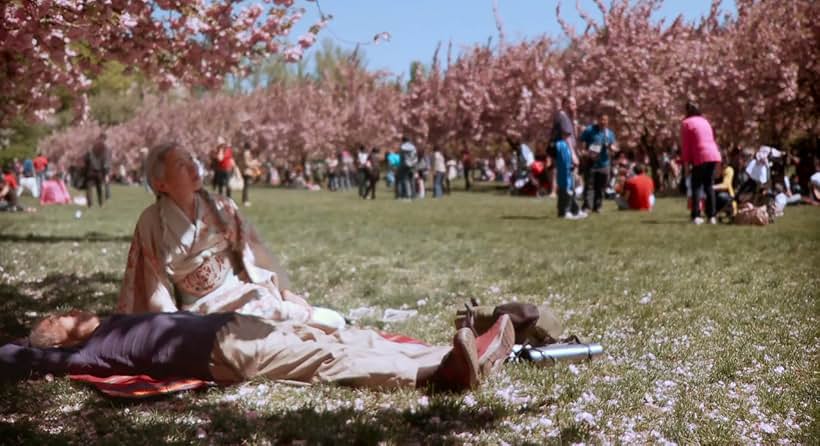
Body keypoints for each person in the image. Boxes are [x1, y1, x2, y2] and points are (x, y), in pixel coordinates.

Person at [118, 142, 345, 332]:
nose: (192, 167)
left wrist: (285, 291)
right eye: (180, 164)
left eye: (192, 160)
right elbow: (155, 284)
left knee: (261, 305)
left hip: (236, 289)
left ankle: (303, 316)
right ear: (161, 184)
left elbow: (254, 252)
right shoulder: (151, 222)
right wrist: (169, 326)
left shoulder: (222, 206)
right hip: (198, 307)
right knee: (232, 332)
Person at [0, 309, 515, 393]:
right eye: (58, 321)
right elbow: (20, 357)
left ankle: (457, 351)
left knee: (344, 337)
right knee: (326, 362)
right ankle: (439, 375)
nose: (66, 315)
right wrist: (28, 348)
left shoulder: (116, 320)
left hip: (239, 326)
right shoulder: (91, 354)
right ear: (60, 338)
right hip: (222, 352)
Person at [680, 101, 721, 224]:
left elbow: (686, 146)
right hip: (713, 154)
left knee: (696, 186)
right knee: (709, 185)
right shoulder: (705, 121)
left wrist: (686, 165)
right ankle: (712, 216)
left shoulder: (686, 123)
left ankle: (696, 215)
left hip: (700, 156)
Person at [580, 113, 618, 213]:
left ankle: (598, 206)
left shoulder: (609, 133)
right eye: (601, 119)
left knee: (601, 186)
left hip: (604, 164)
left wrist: (613, 149)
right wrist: (585, 152)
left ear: (607, 121)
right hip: (591, 163)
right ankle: (587, 206)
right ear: (597, 119)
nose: (603, 122)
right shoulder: (589, 130)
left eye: (605, 120)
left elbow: (613, 146)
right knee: (590, 185)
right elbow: (582, 142)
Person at [555, 129, 586, 219]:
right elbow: (564, 161)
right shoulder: (561, 145)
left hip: (568, 172)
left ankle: (573, 210)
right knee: (566, 191)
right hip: (564, 173)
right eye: (567, 134)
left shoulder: (566, 145)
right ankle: (565, 211)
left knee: (570, 190)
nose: (569, 136)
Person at [85, 132, 111, 208]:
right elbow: (105, 161)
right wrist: (106, 172)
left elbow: (87, 158)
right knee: (99, 187)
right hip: (99, 170)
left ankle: (90, 204)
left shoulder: (91, 148)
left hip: (90, 170)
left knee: (89, 187)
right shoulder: (105, 148)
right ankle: (101, 204)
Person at [713, 152, 737, 219]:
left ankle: (730, 211)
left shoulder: (729, 170)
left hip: (728, 197)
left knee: (721, 196)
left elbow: (725, 185)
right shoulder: (713, 171)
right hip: (715, 195)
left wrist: (711, 188)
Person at [237, 142, 260, 207]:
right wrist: (254, 163)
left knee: (246, 186)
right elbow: (247, 163)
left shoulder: (245, 153)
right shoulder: (246, 153)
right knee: (246, 187)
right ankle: (245, 201)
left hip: (246, 171)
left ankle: (245, 200)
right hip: (247, 171)